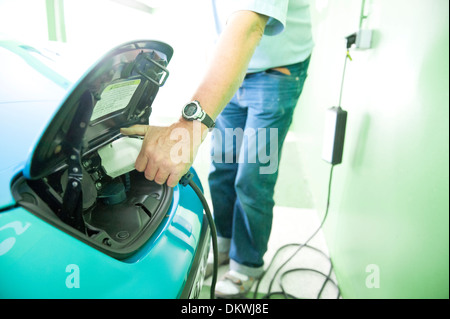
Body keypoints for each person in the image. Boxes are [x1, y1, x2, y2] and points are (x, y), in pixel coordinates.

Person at [121, 0, 313, 298]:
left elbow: (249, 25)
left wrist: (188, 127)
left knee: (254, 176)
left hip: (275, 74)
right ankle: (223, 244)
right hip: (233, 72)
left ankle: (247, 264)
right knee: (222, 168)